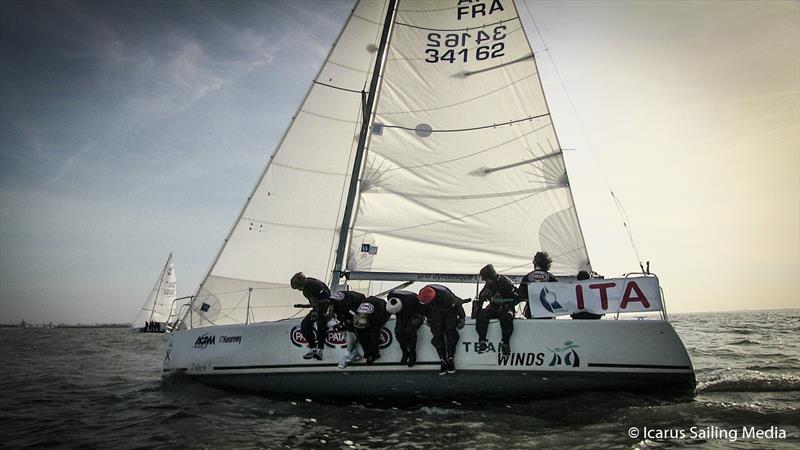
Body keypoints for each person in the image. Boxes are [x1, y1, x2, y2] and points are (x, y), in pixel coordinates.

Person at [474, 264, 521, 356]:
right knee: (483, 314)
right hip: (494, 307)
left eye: (486, 279)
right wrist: (479, 307)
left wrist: (504, 302)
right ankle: (482, 340)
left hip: (507, 307)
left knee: (507, 317)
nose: (486, 281)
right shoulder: (488, 284)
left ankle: (506, 343)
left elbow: (518, 298)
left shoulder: (507, 283)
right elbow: (481, 298)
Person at [419, 284, 466, 375]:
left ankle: (451, 358)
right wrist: (428, 318)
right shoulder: (423, 295)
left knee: (451, 332)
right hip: (435, 312)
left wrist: (462, 317)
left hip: (450, 311)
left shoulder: (446, 296)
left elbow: (457, 304)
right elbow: (423, 309)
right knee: (437, 334)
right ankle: (442, 360)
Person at [290, 272, 331, 360]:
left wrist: (319, 308)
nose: (299, 290)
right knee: (305, 325)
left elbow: (327, 298)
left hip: (325, 307)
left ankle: (320, 349)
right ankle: (313, 347)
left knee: (321, 324)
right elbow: (313, 302)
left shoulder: (315, 285)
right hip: (317, 308)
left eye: (298, 288)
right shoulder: (306, 289)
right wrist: (315, 308)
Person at [386, 290, 425, 367]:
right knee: (398, 331)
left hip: (416, 313)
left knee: (409, 330)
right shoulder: (391, 297)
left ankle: (412, 353)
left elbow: (423, 309)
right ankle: (404, 352)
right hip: (402, 313)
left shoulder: (412, 300)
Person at [329, 290, 366, 368]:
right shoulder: (330, 302)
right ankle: (353, 351)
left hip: (359, 301)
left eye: (330, 311)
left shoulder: (342, 306)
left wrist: (346, 322)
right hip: (348, 301)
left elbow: (352, 315)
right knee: (341, 326)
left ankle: (348, 353)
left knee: (350, 326)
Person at [518, 251, 558, 319]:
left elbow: (520, 295)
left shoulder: (527, 277)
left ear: (535, 263)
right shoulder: (551, 278)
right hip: (548, 314)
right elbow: (558, 295)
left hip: (531, 314)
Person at [352, 296, 390, 364]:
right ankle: (367, 354)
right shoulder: (356, 314)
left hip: (382, 308)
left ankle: (373, 355)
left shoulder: (377, 316)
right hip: (366, 311)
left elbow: (386, 315)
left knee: (374, 335)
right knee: (361, 336)